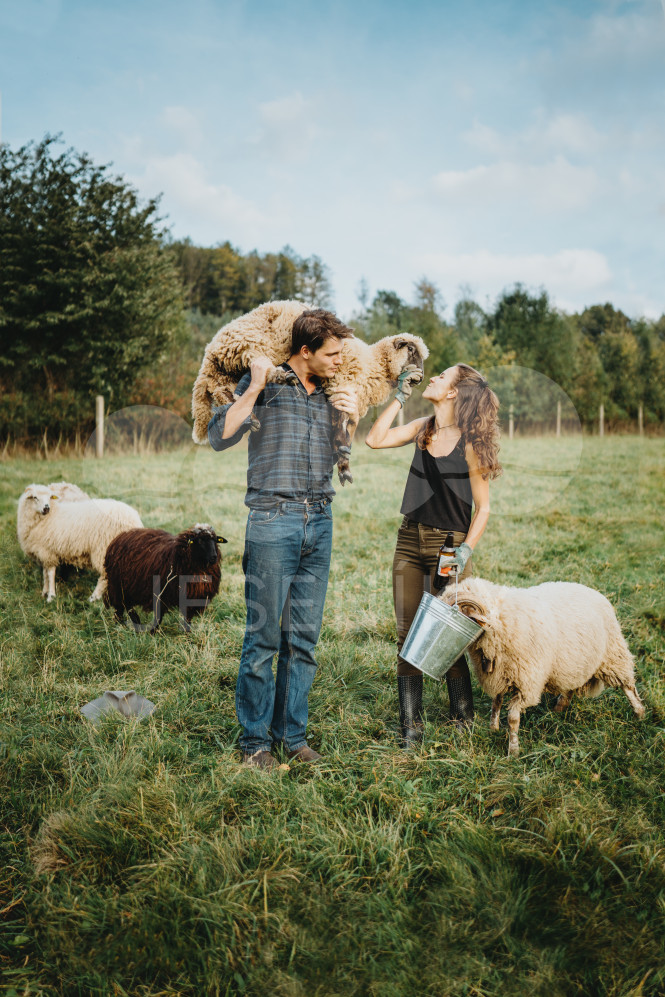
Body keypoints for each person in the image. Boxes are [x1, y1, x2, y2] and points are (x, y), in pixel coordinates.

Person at [208, 309, 359, 770]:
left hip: (321, 521)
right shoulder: (267, 387)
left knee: (304, 640)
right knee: (263, 638)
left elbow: (339, 455)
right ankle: (254, 744)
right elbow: (220, 436)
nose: (340, 361)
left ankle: (292, 736)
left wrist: (348, 423)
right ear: (305, 351)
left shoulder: (331, 395)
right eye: (332, 354)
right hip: (274, 521)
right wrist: (252, 385)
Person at [365, 362, 501, 747]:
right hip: (409, 541)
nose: (434, 378)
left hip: (449, 548)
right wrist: (398, 397)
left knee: (448, 634)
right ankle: (411, 729)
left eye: (442, 376)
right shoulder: (423, 427)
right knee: (407, 636)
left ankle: (463, 719)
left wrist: (466, 549)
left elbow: (483, 507)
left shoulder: (471, 443)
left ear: (455, 392)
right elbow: (374, 440)